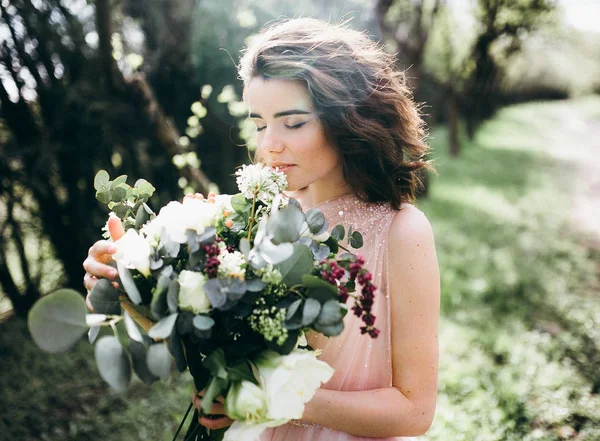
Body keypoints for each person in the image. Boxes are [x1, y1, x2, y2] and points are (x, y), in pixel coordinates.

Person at [83, 17, 440, 441]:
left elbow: (415, 410)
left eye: (292, 123)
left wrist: (271, 396)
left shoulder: (400, 231)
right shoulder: (255, 216)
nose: (269, 144)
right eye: (258, 124)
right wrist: (137, 284)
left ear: (346, 118)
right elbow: (209, 337)